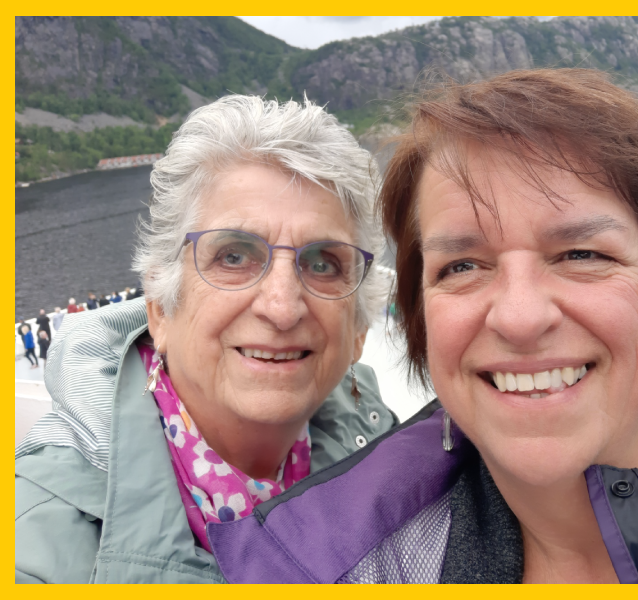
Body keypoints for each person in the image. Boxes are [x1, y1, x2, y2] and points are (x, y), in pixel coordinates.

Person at [209, 69, 638, 584]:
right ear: (420, 322)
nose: (522, 316)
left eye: (582, 254)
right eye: (463, 265)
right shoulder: (335, 564)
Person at [15, 94, 396, 583]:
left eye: (323, 263)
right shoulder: (34, 549)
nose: (281, 307)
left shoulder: (383, 444)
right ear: (160, 307)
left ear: (359, 328)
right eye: (233, 257)